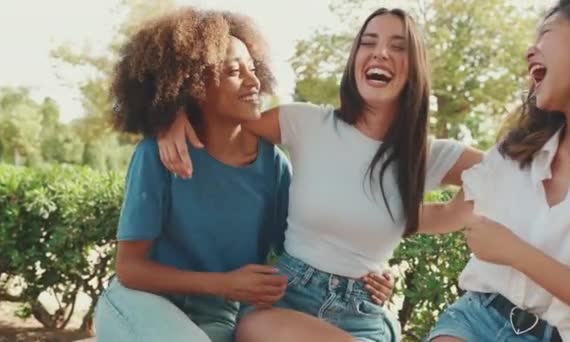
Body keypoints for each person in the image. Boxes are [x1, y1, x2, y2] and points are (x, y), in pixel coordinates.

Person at [158, 8, 482, 341]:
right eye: (368, 43)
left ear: (414, 69)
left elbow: (502, 175)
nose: (380, 52)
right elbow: (224, 120)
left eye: (398, 46)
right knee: (252, 329)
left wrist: (410, 217)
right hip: (286, 299)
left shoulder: (425, 154)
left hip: (361, 314)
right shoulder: (308, 123)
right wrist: (171, 116)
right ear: (355, 60)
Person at [93, 8, 389, 342]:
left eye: (253, 68)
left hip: (218, 317)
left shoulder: (273, 166)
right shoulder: (158, 154)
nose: (254, 81)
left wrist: (364, 274)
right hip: (140, 304)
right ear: (193, 86)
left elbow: (308, 247)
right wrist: (223, 284)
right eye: (235, 71)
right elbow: (130, 269)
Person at [421, 0, 570, 341]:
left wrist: (514, 252)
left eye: (546, 32)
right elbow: (447, 214)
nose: (529, 51)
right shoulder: (517, 151)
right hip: (478, 319)